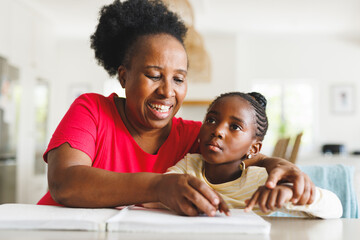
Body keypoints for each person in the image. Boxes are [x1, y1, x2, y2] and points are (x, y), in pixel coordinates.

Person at [37, 0, 315, 217]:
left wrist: (276, 163)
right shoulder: (92, 109)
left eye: (179, 79)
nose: (168, 91)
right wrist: (158, 186)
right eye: (154, 75)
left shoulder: (194, 137)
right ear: (123, 77)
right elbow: (65, 182)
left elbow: (239, 152)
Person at [160, 92, 342, 218]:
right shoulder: (189, 165)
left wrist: (290, 192)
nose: (218, 131)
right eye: (211, 120)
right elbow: (159, 193)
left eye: (235, 127)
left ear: (253, 149)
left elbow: (335, 208)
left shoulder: (261, 180)